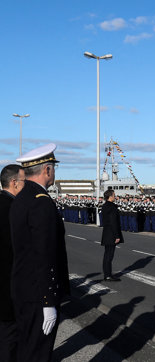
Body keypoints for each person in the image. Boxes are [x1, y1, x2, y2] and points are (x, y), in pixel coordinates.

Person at [10, 143, 70, 361]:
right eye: (53, 167)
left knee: (26, 349)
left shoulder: (21, 199)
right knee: (37, 353)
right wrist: (48, 301)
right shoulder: (41, 203)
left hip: (23, 289)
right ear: (47, 170)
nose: (54, 172)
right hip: (37, 294)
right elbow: (44, 254)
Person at [0, 164, 25, 362]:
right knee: (10, 339)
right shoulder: (14, 209)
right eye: (24, 181)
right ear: (14, 183)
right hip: (8, 285)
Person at [100, 189, 123, 282]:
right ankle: (108, 275)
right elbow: (113, 222)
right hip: (111, 234)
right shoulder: (112, 207)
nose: (115, 197)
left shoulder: (105, 206)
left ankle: (107, 274)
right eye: (114, 195)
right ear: (110, 196)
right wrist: (117, 236)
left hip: (107, 232)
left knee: (107, 255)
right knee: (109, 256)